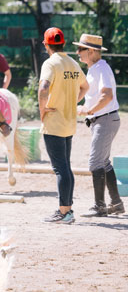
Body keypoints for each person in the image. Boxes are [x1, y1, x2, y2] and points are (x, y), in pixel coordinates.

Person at [38, 27, 88, 224]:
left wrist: (43, 109)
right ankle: (67, 210)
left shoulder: (50, 63)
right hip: (69, 122)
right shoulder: (73, 63)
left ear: (45, 44)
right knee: (66, 167)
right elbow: (86, 86)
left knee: (60, 169)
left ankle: (64, 212)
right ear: (63, 43)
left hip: (55, 123)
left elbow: (43, 89)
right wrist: (72, 101)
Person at [74, 33, 124, 217]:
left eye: (81, 49)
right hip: (104, 119)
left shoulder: (101, 68)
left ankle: (99, 206)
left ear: (92, 51)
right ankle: (116, 203)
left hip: (105, 119)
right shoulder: (94, 68)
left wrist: (89, 111)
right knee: (103, 162)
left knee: (95, 162)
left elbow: (106, 95)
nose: (77, 52)